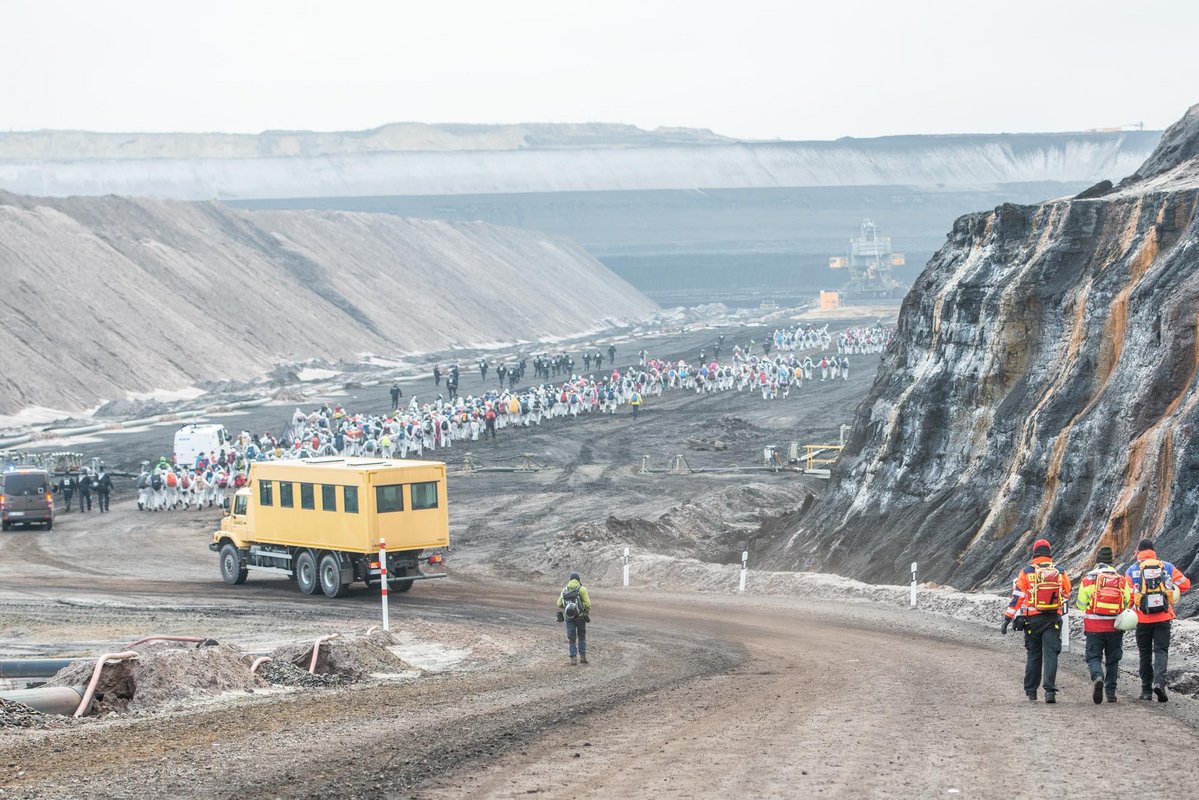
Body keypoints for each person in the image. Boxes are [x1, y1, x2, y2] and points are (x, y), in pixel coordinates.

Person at [1002, 538, 1071, 703]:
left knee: (1034, 654)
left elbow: (1017, 597)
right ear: (1049, 553)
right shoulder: (1060, 571)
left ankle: (1031, 691)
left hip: (1032, 620)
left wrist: (1007, 618)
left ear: (1034, 553)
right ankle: (1049, 692)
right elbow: (1067, 593)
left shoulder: (1027, 572)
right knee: (1051, 654)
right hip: (1053, 618)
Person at [1126, 538, 1191, 702]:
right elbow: (1186, 584)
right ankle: (1159, 684)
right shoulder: (1166, 566)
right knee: (1161, 651)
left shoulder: (1132, 570)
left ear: (1139, 551)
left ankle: (1146, 690)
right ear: (1153, 551)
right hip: (1163, 616)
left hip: (1142, 618)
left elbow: (1127, 596)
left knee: (1144, 653)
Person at [1075, 545, 1131, 703]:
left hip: (1094, 627)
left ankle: (1098, 676)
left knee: (1093, 657)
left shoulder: (1088, 580)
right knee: (1113, 660)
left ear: (1097, 561)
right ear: (1112, 562)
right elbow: (1127, 602)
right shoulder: (1121, 580)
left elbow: (1080, 604)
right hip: (1115, 627)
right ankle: (1111, 693)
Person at [556, 571, 592, 665]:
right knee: (581, 636)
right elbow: (588, 604)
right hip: (580, 617)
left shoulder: (565, 590)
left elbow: (559, 604)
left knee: (572, 637)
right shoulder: (582, 589)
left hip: (569, 617)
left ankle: (573, 658)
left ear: (570, 580)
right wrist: (581, 607)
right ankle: (583, 657)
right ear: (579, 580)